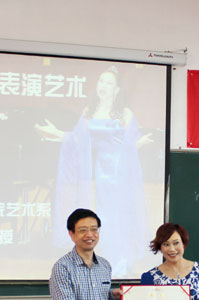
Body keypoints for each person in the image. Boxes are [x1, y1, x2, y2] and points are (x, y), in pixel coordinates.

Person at [36, 66, 153, 275]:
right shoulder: (89, 112)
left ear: (117, 89)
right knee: (104, 214)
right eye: (101, 81)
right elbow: (77, 139)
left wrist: (139, 143)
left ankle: (122, 261)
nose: (103, 86)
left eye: (108, 83)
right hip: (102, 171)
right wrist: (57, 133)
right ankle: (108, 261)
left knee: (120, 213)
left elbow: (132, 142)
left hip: (122, 169)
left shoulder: (125, 113)